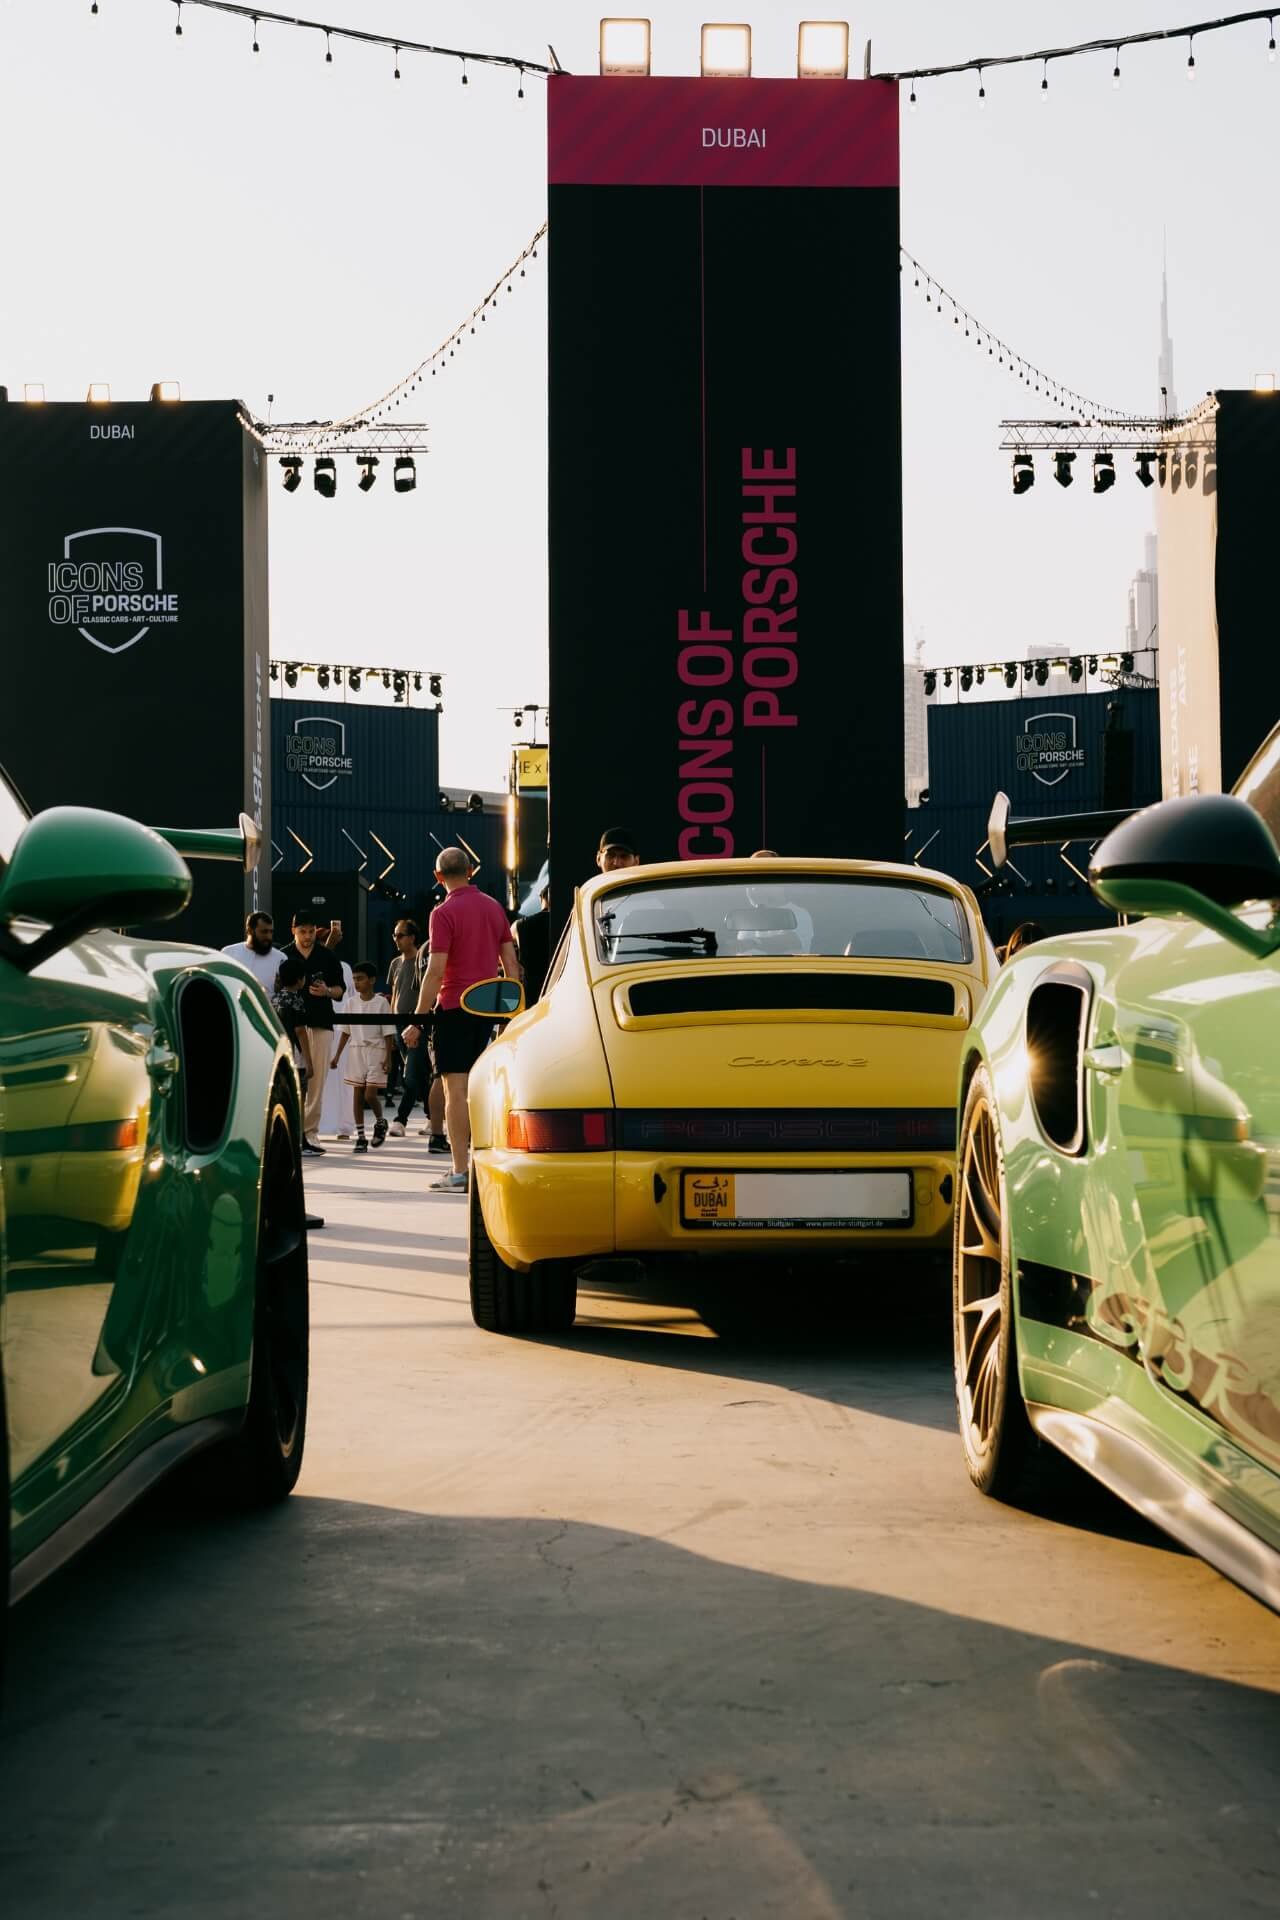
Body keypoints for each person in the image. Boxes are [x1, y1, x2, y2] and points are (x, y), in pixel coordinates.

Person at [405, 847, 521, 1192]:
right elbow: (511, 967)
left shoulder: (442, 913)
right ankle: (483, 1166)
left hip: (454, 1009)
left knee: (457, 1090)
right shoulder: (493, 907)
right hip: (488, 1010)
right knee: (482, 1089)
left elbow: (436, 971)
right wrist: (510, 1014)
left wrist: (417, 1020)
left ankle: (459, 1170)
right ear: (470, 871)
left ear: (438, 877)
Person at [276, 908, 346, 1155]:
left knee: (316, 1081)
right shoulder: (282, 956)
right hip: (290, 1025)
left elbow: (341, 990)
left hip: (320, 1021)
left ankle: (309, 1133)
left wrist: (327, 991)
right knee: (290, 1079)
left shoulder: (327, 956)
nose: (307, 936)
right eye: (302, 931)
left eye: (310, 931)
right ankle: (292, 1131)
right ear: (293, 931)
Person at [387, 919, 448, 1149]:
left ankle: (400, 1119)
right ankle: (431, 1116)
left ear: (412, 937)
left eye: (400, 935)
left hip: (417, 1023)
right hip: (398, 1024)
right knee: (419, 1074)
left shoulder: (423, 959)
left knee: (410, 1074)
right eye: (394, 935)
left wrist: (418, 1020)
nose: (396, 939)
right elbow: (395, 992)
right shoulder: (395, 964)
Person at [331, 962, 398, 1152]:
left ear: (372, 980)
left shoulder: (381, 1003)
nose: (356, 982)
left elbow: (388, 1033)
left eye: (360, 978)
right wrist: (336, 1056)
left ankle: (380, 1121)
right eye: (354, 979)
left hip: (376, 1051)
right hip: (356, 1051)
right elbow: (345, 1031)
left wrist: (388, 1057)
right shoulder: (351, 1003)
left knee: (370, 1094)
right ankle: (360, 1137)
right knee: (357, 1094)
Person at [318, 920, 355, 1140]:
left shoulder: (344, 968)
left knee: (343, 1078)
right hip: (322, 1026)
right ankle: (323, 1123)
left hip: (342, 1030)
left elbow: (349, 999)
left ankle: (344, 1125)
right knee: (323, 1078)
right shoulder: (313, 967)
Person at [271, 954, 313, 1092]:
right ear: (300, 980)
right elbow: (300, 1031)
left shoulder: (275, 999)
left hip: (276, 1051)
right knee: (298, 1093)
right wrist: (309, 1062)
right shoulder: (297, 1001)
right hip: (293, 1054)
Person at [514, 885, 552, 1004]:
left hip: (533, 999)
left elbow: (506, 943)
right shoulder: (575, 921)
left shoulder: (521, 925)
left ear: (542, 898)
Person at [221, 912, 277, 992]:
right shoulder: (228, 953)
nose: (268, 936)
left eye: (271, 932)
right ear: (249, 931)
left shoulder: (280, 958)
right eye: (264, 932)